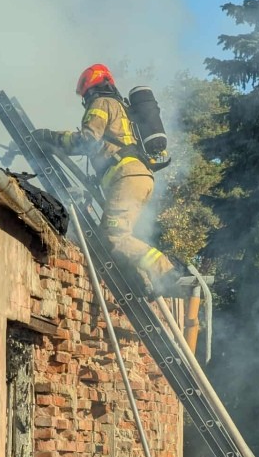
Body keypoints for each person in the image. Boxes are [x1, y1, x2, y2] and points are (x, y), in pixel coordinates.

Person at [32, 63, 185, 296]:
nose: (85, 99)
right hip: (136, 177)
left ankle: (167, 273)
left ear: (90, 89)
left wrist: (49, 137)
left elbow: (87, 140)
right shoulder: (121, 108)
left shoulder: (102, 103)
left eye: (85, 95)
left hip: (127, 175)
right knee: (119, 234)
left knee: (115, 236)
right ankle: (143, 282)